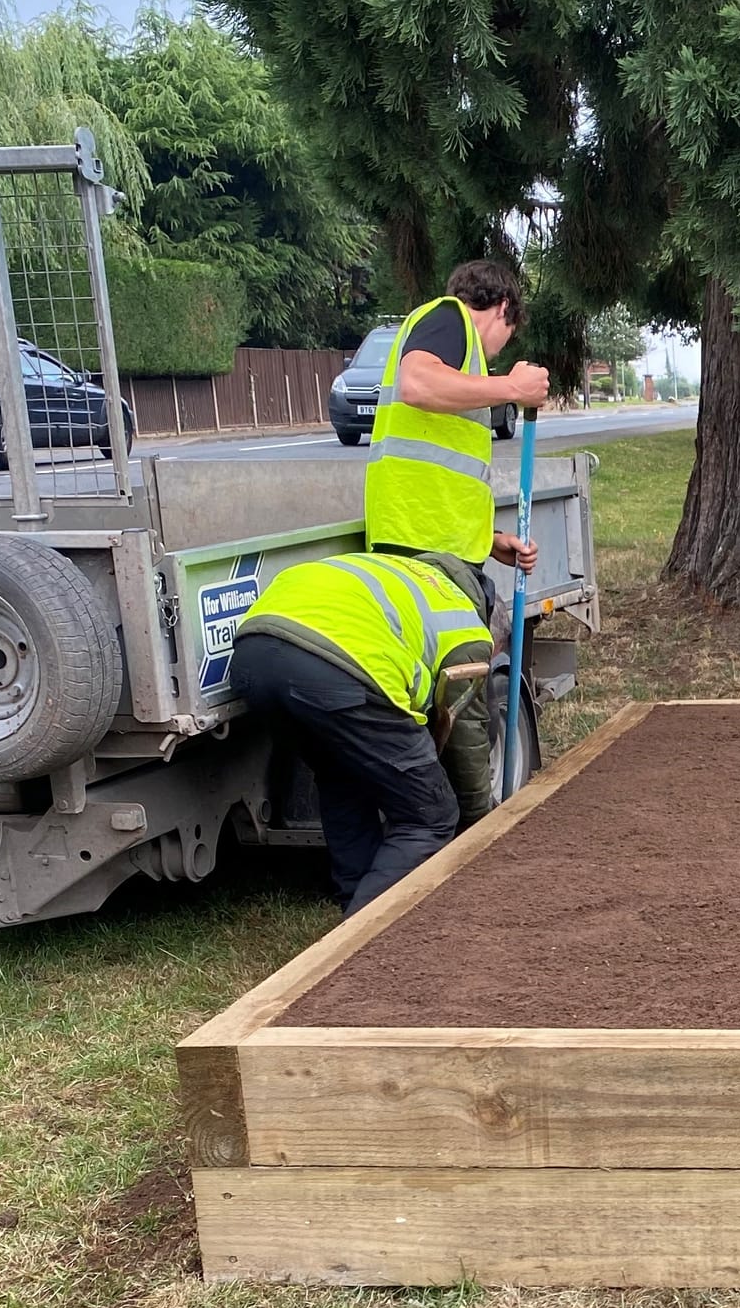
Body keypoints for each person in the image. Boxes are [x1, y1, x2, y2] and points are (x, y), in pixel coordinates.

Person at [366, 257, 553, 824]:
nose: (495, 352)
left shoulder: (456, 345)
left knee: (447, 692)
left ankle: (448, 815)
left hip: (437, 541)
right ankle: (467, 820)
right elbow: (418, 383)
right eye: (506, 336)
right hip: (422, 551)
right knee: (456, 692)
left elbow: (439, 472)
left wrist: (490, 539)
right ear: (502, 310)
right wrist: (511, 386)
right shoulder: (449, 319)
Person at [230, 550, 494, 916]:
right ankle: (361, 931)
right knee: (429, 816)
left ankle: (353, 900)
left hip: (251, 656)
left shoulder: (392, 571)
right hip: (337, 672)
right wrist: (483, 821)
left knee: (341, 779)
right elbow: (468, 732)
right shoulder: (462, 619)